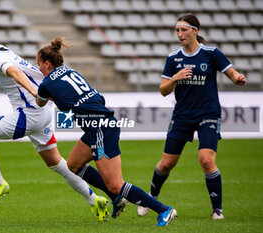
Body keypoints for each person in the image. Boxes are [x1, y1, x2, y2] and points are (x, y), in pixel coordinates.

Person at [0, 27, 109, 221]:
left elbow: (14, 73)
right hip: (42, 113)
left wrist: (36, 93)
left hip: (29, 114)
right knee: (56, 163)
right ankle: (94, 199)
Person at [32, 37, 177, 226]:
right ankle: (117, 199)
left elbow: (40, 102)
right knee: (74, 165)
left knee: (116, 184)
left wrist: (41, 93)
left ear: (47, 63)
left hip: (100, 129)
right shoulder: (71, 72)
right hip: (99, 125)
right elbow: (95, 97)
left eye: (39, 65)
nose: (38, 69)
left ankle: (164, 210)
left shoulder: (46, 83)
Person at [137, 13, 246, 220]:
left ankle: (217, 210)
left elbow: (231, 73)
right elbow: (163, 90)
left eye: (184, 30)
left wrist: (238, 78)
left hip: (208, 114)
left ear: (195, 31)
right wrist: (175, 78)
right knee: (167, 163)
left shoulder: (211, 53)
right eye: (177, 30)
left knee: (206, 160)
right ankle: (152, 196)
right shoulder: (173, 58)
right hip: (182, 116)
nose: (179, 34)